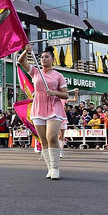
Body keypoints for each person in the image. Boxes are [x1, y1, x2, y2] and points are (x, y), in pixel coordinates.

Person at [18, 43, 69, 179]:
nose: (43, 59)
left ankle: (56, 168)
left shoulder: (59, 76)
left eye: (46, 57)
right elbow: (21, 61)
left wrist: (54, 92)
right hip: (38, 108)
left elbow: (66, 95)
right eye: (41, 57)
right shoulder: (35, 71)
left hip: (54, 107)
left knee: (52, 137)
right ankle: (50, 168)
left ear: (52, 59)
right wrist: (26, 51)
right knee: (43, 140)